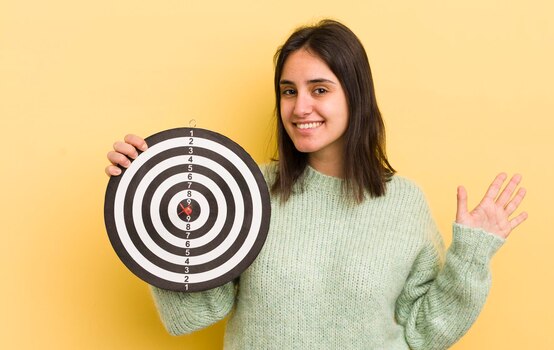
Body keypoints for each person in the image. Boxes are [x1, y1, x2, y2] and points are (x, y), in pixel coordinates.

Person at [105, 19, 527, 349]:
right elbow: (194, 314)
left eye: (319, 89)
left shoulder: (403, 202)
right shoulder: (246, 191)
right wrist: (146, 198)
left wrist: (471, 257)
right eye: (288, 91)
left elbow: (423, 332)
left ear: (354, 96)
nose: (300, 107)